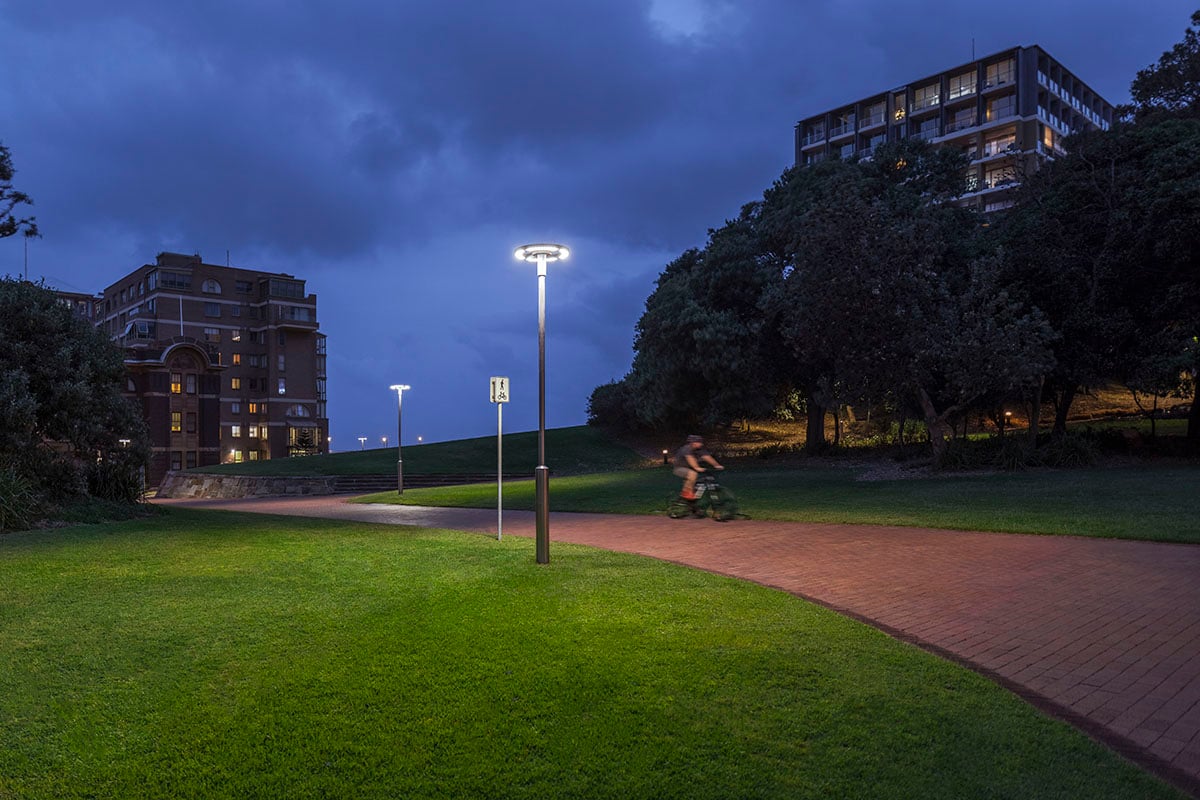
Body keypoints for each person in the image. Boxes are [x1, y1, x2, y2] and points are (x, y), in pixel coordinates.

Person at [673, 434, 723, 505]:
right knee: (693, 474)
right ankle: (685, 493)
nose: (701, 444)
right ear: (694, 443)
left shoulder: (700, 450)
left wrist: (717, 465)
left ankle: (693, 505)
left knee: (701, 480)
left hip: (690, 468)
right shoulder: (686, 449)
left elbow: (707, 457)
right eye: (700, 442)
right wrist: (697, 467)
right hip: (679, 468)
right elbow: (690, 459)